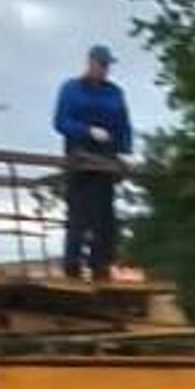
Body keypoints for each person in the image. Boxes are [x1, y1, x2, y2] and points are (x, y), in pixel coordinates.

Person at [52, 44, 132, 282]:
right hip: (80, 153)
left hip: (106, 155)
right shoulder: (71, 89)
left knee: (104, 214)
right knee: (78, 212)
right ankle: (72, 265)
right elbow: (60, 121)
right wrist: (86, 130)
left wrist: (125, 151)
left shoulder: (114, 92)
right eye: (101, 65)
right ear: (90, 63)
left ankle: (100, 266)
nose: (105, 70)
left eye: (107, 66)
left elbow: (123, 123)